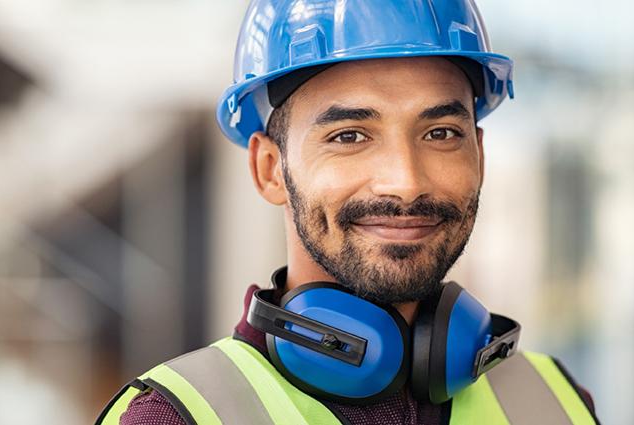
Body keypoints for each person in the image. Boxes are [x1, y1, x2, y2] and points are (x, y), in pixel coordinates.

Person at [97, 1, 599, 424]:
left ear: (479, 156)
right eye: (349, 136)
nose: (405, 181)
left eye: (441, 133)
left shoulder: (555, 403)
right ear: (270, 170)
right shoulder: (175, 417)